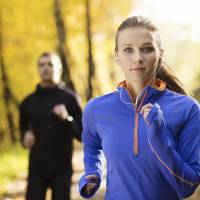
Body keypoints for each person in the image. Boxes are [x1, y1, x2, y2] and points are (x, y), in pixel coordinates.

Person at [79, 16, 200, 200]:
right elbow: (92, 145)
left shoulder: (188, 109)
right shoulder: (96, 109)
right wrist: (92, 172)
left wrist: (160, 141)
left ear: (160, 55)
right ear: (116, 55)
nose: (137, 58)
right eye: (128, 50)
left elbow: (188, 187)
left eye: (147, 49)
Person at [19, 52, 82, 200]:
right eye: (41, 65)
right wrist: (24, 137)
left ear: (59, 69)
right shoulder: (28, 102)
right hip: (36, 169)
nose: (45, 68)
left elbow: (81, 134)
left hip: (62, 169)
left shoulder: (70, 99)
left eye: (50, 64)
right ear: (38, 69)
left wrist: (67, 118)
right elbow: (22, 130)